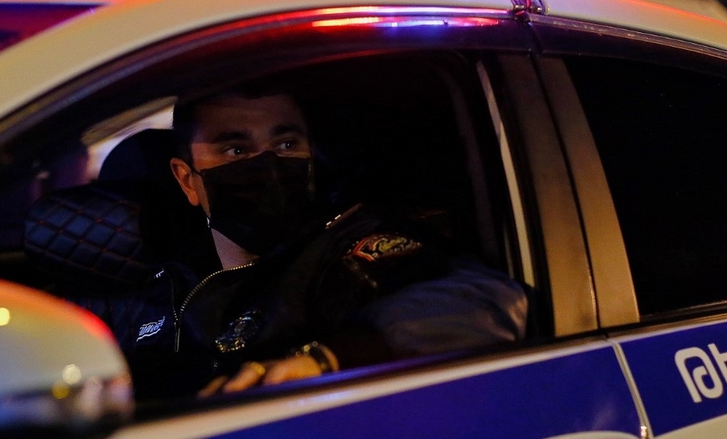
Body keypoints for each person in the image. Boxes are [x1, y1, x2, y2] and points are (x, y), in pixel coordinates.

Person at [43, 85, 528, 400]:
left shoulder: (347, 250)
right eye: (236, 149)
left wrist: (325, 361)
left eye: (286, 144)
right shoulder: (163, 277)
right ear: (187, 180)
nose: (268, 165)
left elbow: (485, 301)